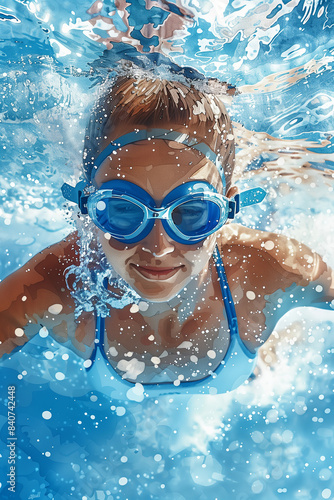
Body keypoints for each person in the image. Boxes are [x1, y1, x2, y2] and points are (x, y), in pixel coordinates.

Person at [0, 75, 333, 399]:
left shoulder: (271, 268)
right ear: (89, 207)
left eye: (192, 213)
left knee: (270, 359)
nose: (158, 249)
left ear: (228, 208)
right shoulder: (54, 286)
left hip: (250, 354)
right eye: (123, 211)